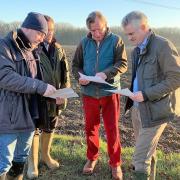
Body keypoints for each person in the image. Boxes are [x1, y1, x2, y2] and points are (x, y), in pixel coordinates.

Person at [121, 11, 180, 179]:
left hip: (156, 110)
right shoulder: (136, 50)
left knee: (139, 159)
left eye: (132, 34)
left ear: (144, 27)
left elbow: (176, 78)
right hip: (138, 109)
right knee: (148, 151)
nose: (129, 38)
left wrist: (146, 94)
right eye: (127, 34)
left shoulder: (163, 46)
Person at [0, 12, 58, 180]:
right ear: (28, 28)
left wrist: (53, 95)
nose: (42, 38)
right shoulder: (4, 46)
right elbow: (5, 77)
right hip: (9, 117)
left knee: (20, 160)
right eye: (40, 33)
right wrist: (41, 87)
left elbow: (35, 80)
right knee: (3, 163)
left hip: (30, 117)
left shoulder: (32, 50)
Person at [72, 11, 127, 180]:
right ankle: (91, 158)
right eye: (92, 30)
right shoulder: (83, 42)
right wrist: (80, 77)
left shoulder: (116, 40)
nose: (96, 34)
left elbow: (123, 63)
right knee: (90, 128)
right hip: (89, 94)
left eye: (99, 29)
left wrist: (107, 73)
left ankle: (115, 163)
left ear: (106, 24)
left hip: (109, 92)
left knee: (112, 129)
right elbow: (75, 65)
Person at [27, 15, 70, 179]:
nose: (50, 34)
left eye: (52, 30)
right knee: (35, 130)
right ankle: (32, 163)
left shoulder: (59, 48)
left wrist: (64, 93)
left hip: (56, 99)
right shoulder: (31, 49)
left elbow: (65, 74)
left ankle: (46, 156)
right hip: (37, 99)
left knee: (50, 127)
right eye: (47, 31)